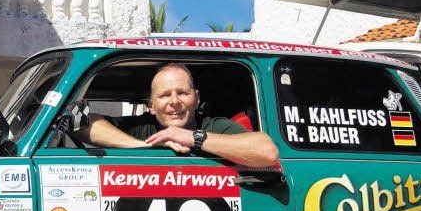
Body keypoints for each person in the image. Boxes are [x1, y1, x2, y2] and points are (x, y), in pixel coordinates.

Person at [73, 63, 279, 167]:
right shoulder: (141, 129)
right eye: (164, 95)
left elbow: (267, 152)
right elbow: (77, 121)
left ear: (196, 99)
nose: (174, 102)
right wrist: (144, 147)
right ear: (151, 106)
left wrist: (192, 138)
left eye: (182, 93)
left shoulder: (214, 127)